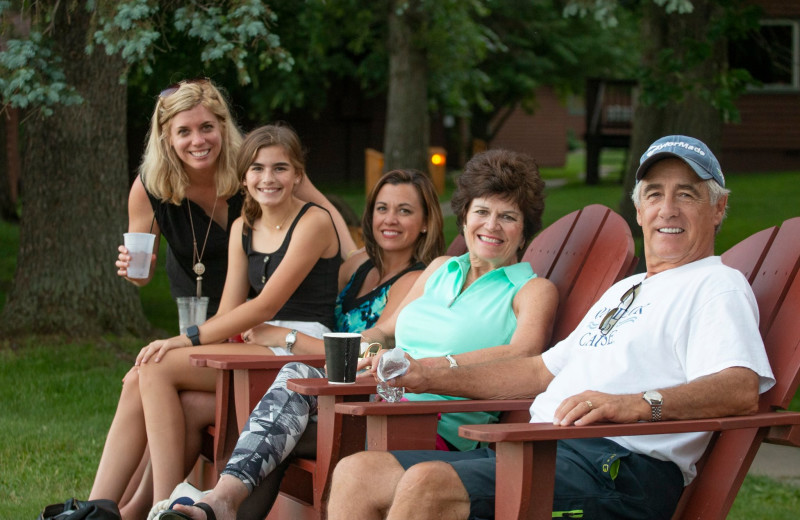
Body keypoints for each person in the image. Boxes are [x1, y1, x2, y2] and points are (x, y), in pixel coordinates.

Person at [325, 135, 776, 520]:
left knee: (428, 484)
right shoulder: (627, 289)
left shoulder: (717, 285)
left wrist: (636, 405)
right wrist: (429, 374)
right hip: (545, 451)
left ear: (718, 209)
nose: (668, 209)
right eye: (654, 194)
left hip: (621, 469)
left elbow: (739, 387)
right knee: (358, 473)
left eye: (688, 194)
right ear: (639, 211)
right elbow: (540, 371)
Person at [171, 149, 560, 520]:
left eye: (507, 217)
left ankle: (216, 503)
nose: (491, 226)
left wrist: (431, 368)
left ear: (525, 230)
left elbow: (524, 355)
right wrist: (362, 352)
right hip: (379, 404)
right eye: (482, 212)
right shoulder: (442, 268)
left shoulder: (530, 290)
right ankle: (220, 504)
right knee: (287, 404)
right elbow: (384, 333)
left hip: (433, 425)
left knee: (275, 429)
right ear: (464, 217)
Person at [91, 123, 342, 516]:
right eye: (257, 169)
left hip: (300, 350)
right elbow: (229, 313)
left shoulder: (314, 221)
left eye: (280, 168)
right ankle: (109, 507)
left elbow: (264, 306)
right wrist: (201, 341)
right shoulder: (244, 225)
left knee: (157, 368)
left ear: (297, 174)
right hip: (257, 344)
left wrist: (185, 339)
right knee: (158, 379)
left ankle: (164, 503)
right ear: (243, 177)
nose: (268, 178)